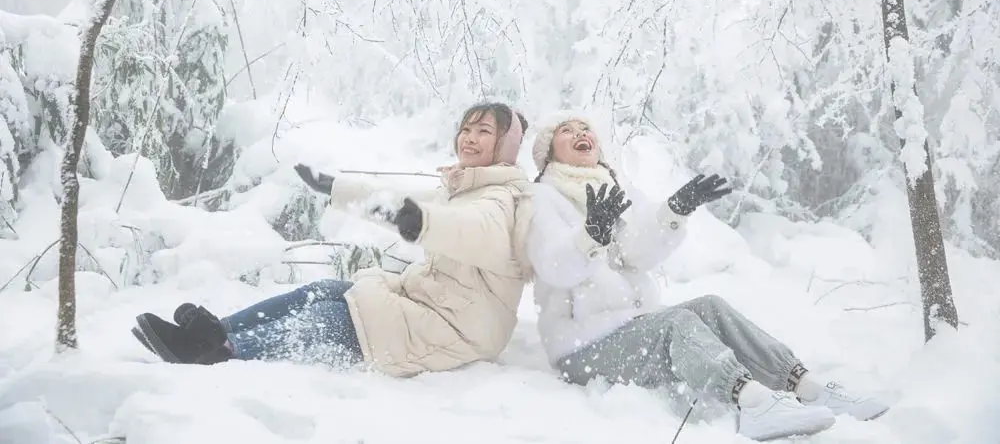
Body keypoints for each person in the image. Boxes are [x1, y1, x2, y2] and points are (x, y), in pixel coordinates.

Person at [526, 112, 889, 441]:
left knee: (711, 306)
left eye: (585, 127)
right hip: (582, 347)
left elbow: (639, 254)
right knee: (676, 323)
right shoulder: (544, 198)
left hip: (630, 326)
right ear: (548, 152)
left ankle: (806, 386)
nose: (580, 132)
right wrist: (590, 235)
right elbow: (554, 267)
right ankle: (752, 404)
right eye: (566, 130)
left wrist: (673, 212)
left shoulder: (614, 188)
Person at [132, 102, 534, 378]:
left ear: (506, 147)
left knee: (336, 319)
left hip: (460, 330)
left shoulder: (503, 199)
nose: (469, 137)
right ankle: (213, 332)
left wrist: (423, 222)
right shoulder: (463, 188)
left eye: (484, 131)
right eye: (466, 129)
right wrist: (336, 187)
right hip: (431, 304)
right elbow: (399, 203)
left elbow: (470, 231)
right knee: (327, 289)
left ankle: (223, 356)